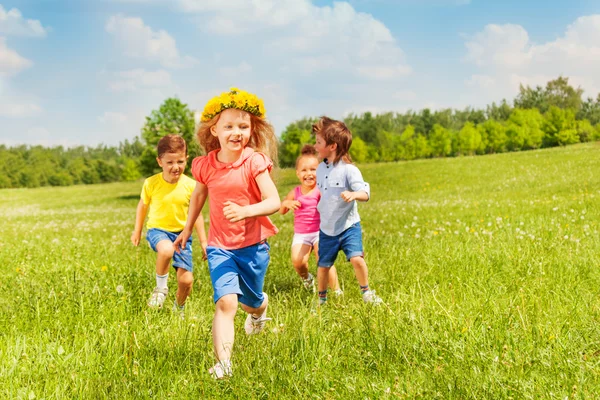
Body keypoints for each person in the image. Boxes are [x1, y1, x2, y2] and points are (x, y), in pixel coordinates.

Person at [174, 88, 280, 379]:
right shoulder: (206, 164)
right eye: (229, 126)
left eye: (243, 126)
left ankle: (259, 310)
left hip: (253, 246)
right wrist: (186, 229)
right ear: (215, 130)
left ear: (252, 129)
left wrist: (246, 211)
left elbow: (274, 201)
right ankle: (224, 364)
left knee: (250, 301)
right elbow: (198, 197)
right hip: (220, 246)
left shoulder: (254, 162)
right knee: (226, 302)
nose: (237, 132)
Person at [131, 134, 207, 315]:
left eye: (180, 161)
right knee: (166, 250)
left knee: (186, 281)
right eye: (170, 162)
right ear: (160, 162)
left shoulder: (190, 185)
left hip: (182, 235)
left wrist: (204, 241)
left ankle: (178, 309)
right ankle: (161, 289)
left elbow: (196, 215)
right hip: (158, 230)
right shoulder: (151, 183)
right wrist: (137, 231)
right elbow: (143, 206)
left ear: (186, 159)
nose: (176, 167)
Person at [312, 116, 382, 306]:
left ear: (332, 146)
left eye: (319, 142)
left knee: (357, 259)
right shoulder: (319, 169)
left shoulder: (349, 170)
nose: (315, 146)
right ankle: (321, 299)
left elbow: (365, 192)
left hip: (348, 226)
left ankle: (367, 292)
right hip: (327, 228)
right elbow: (322, 194)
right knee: (323, 265)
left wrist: (354, 195)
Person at [280, 144, 342, 294]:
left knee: (324, 259)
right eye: (304, 170)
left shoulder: (320, 190)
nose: (309, 173)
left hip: (320, 232)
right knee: (298, 261)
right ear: (297, 174)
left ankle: (337, 291)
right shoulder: (294, 192)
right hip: (302, 234)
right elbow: (281, 210)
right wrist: (286, 203)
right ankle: (307, 278)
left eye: (313, 169)